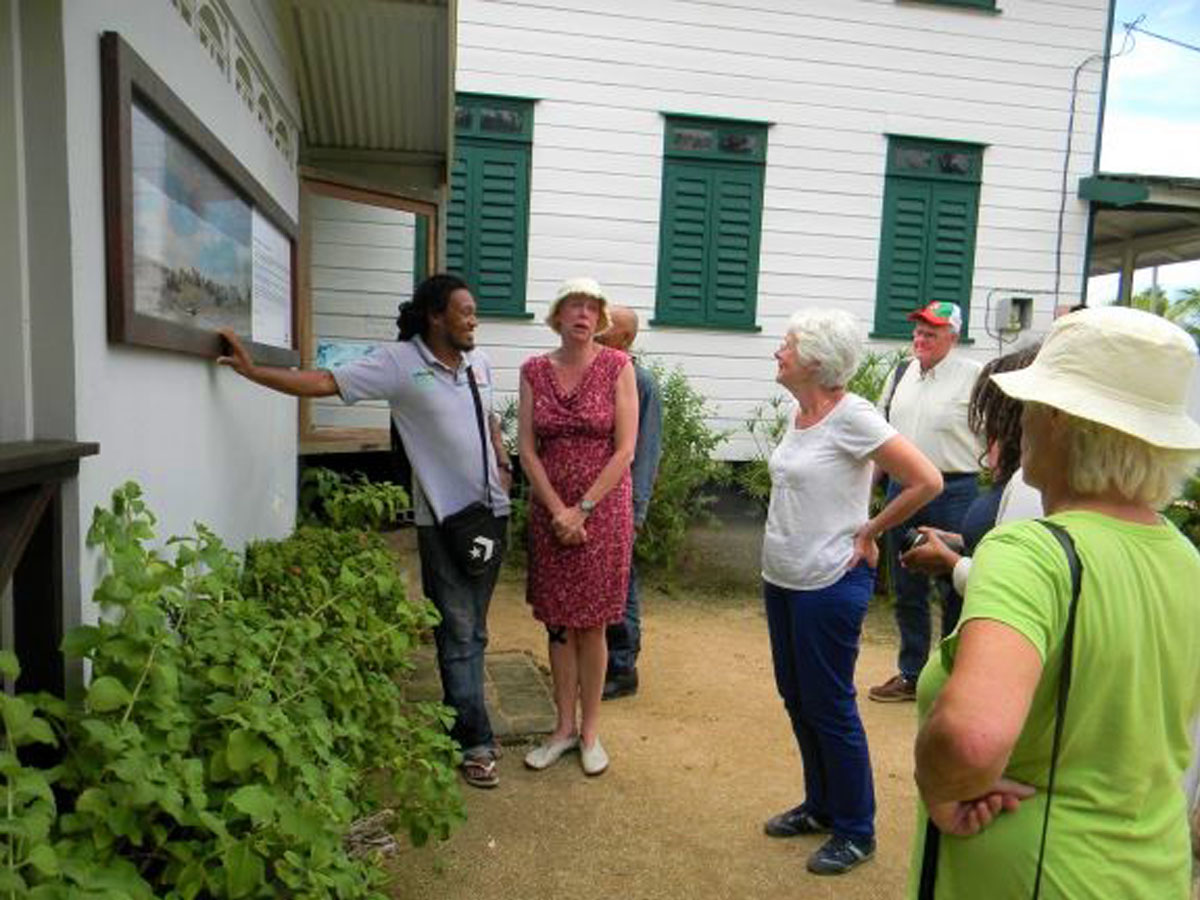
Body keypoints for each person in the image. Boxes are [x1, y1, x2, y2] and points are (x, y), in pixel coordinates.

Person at [909, 306, 1200, 899]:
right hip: (1151, 871)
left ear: (1060, 422)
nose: (1021, 425)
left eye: (1031, 408)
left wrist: (939, 786)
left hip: (1032, 873)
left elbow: (971, 737)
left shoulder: (1031, 552)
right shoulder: (1186, 560)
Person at [217, 274, 512, 790]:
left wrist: (502, 455)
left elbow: (486, 417)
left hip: (493, 514)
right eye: (464, 312)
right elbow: (324, 382)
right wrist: (252, 372)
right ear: (435, 316)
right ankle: (474, 740)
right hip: (443, 518)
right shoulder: (398, 363)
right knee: (461, 631)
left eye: (475, 311)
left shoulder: (478, 363)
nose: (474, 320)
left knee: (472, 629)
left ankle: (457, 715)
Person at [760, 309, 942, 876]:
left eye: (788, 346)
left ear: (815, 361)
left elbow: (926, 480)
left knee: (830, 704)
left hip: (829, 581)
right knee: (796, 697)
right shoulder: (801, 411)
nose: (778, 353)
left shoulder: (853, 416)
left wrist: (871, 529)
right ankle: (821, 806)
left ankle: (856, 829)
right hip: (784, 578)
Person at [518, 278, 637, 777]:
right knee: (559, 623)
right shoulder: (532, 370)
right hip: (550, 511)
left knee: (592, 623)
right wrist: (556, 509)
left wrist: (582, 509)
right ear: (558, 316)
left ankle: (590, 732)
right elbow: (526, 448)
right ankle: (562, 729)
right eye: (574, 306)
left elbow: (625, 449)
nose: (584, 314)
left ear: (600, 320)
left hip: (603, 512)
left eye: (592, 308)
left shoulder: (618, 366)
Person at [868, 300, 982, 703]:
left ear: (953, 336)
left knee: (957, 585)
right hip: (905, 491)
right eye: (918, 331)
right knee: (907, 586)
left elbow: (994, 440)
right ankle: (912, 674)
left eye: (931, 333)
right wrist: (869, 492)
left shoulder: (976, 377)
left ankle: (953, 678)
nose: (920, 339)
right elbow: (882, 440)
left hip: (956, 492)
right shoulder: (900, 373)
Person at [900, 344, 1043, 592]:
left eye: (998, 416)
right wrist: (959, 543)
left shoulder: (1031, 485)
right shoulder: (1037, 479)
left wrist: (952, 563)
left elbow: (1011, 590)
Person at [594, 305, 663, 700]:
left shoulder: (641, 382)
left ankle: (623, 668)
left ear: (626, 339)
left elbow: (647, 452)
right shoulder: (592, 373)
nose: (599, 332)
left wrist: (636, 512)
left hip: (621, 504)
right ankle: (599, 664)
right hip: (590, 502)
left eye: (608, 329)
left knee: (622, 587)